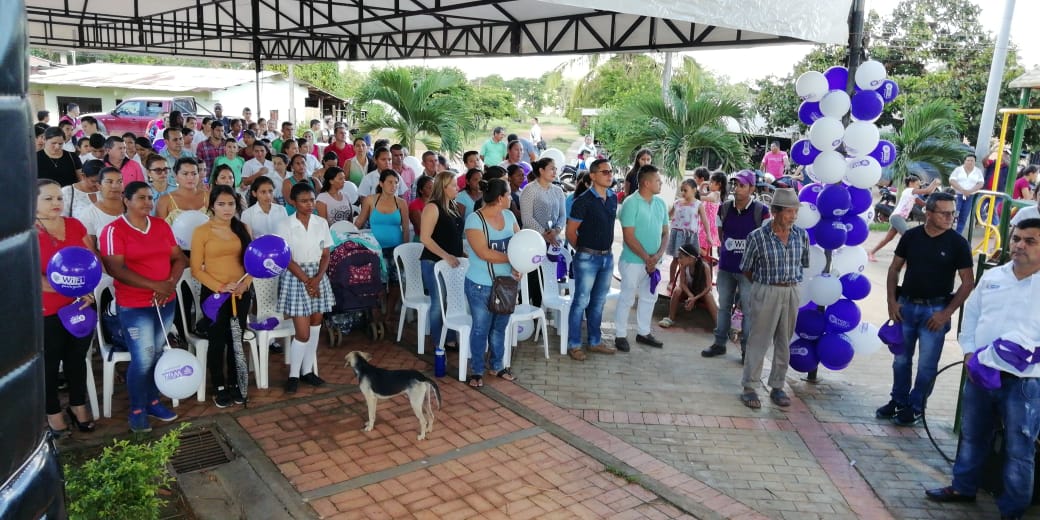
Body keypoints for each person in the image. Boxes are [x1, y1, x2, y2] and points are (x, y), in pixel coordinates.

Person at [924, 219, 1040, 519]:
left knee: (1019, 448)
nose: (1020, 245)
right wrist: (969, 352)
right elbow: (972, 316)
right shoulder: (993, 277)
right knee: (973, 436)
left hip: (1024, 381)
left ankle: (1012, 510)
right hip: (981, 372)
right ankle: (963, 487)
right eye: (1016, 239)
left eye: (1030, 241)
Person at [877, 192, 974, 425]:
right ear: (928, 214)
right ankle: (898, 400)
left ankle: (917, 406)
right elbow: (894, 269)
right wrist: (892, 301)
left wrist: (946, 313)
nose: (950, 217)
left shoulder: (958, 243)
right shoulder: (911, 236)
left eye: (953, 213)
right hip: (906, 306)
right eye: (945, 213)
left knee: (927, 364)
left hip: (936, 310)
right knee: (900, 359)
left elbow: (968, 282)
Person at [99, 180, 188, 432]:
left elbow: (178, 258)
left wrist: (169, 284)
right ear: (126, 200)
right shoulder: (114, 230)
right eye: (141, 198)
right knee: (143, 359)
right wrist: (155, 285)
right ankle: (137, 410)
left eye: (150, 198)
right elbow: (115, 268)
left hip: (165, 301)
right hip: (135, 306)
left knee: (157, 354)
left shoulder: (160, 226)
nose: (147, 203)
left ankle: (153, 401)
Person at [37, 179, 97, 436]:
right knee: (49, 365)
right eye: (48, 199)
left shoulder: (75, 225)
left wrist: (88, 292)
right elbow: (28, 276)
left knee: (76, 360)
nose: (56, 203)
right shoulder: (29, 234)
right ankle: (52, 410)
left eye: (59, 198)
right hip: (46, 311)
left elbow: (91, 264)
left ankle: (77, 404)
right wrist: (70, 286)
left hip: (78, 308)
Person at [737, 188, 807, 410]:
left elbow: (802, 264)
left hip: (791, 290)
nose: (793, 216)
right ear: (775, 212)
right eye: (789, 212)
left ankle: (777, 385)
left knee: (784, 341)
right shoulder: (757, 237)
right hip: (766, 289)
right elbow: (746, 268)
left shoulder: (801, 235)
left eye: (795, 212)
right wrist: (763, 283)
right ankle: (749, 387)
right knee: (759, 340)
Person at [190, 185, 254, 407]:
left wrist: (244, 284)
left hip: (240, 294)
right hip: (215, 295)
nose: (227, 209)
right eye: (221, 204)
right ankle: (218, 385)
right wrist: (220, 287)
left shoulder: (243, 228)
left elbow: (252, 264)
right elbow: (197, 269)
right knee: (217, 340)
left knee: (235, 338)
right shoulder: (201, 232)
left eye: (231, 204)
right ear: (212, 206)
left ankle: (236, 383)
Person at [703, 170, 769, 360]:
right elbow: (721, 234)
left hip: (749, 271)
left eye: (742, 185)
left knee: (749, 310)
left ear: (752, 188)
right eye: (735, 185)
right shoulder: (724, 208)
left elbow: (764, 240)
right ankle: (719, 343)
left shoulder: (761, 211)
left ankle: (746, 351)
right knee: (724, 305)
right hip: (726, 266)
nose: (737, 189)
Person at [276, 182, 335, 394]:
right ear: (293, 202)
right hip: (296, 277)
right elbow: (287, 259)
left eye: (312, 200)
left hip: (317, 277)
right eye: (304, 201)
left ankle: (307, 371)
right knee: (302, 333)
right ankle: (293, 375)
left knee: (315, 325)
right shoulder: (285, 225)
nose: (310, 204)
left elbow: (326, 254)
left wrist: (317, 279)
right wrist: (307, 281)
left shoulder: (321, 223)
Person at [463, 178, 520, 387]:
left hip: (506, 284)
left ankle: (497, 365)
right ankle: (477, 370)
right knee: (481, 328)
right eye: (508, 194)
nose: (511, 197)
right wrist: (512, 258)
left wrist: (519, 266)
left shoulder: (509, 215)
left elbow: (520, 243)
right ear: (499, 198)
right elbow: (483, 253)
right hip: (480, 285)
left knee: (499, 328)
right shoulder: (474, 220)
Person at [565, 159, 618, 361]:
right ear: (593, 176)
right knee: (580, 301)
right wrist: (583, 250)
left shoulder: (613, 198)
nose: (609, 175)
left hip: (607, 257)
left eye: (610, 171)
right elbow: (570, 232)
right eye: (605, 172)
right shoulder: (583, 200)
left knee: (598, 302)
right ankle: (574, 344)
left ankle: (595, 341)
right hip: (587, 257)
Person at [613, 165, 669, 352]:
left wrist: (658, 256)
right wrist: (647, 258)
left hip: (653, 262)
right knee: (627, 297)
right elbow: (629, 236)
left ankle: (643, 332)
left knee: (649, 297)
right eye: (658, 180)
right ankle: (620, 334)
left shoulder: (661, 204)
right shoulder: (631, 202)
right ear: (646, 182)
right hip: (633, 261)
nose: (661, 183)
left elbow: (665, 233)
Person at [355, 170, 409, 332]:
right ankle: (377, 313)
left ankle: (389, 313)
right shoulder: (371, 200)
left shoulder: (401, 203)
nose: (393, 186)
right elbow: (360, 221)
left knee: (396, 282)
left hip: (396, 249)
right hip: (375, 249)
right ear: (381, 183)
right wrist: (345, 233)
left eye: (396, 182)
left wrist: (404, 252)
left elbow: (406, 228)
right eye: (390, 182)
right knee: (378, 283)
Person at [420, 171, 465, 351]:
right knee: (438, 302)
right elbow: (425, 238)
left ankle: (450, 336)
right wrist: (446, 255)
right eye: (454, 185)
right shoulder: (432, 207)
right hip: (433, 262)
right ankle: (439, 341)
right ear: (443, 187)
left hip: (452, 262)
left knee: (452, 300)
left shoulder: (452, 205)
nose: (458, 188)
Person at [520, 157, 567, 307]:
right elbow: (526, 218)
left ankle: (545, 311)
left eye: (555, 169)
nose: (555, 172)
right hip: (532, 243)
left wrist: (556, 230)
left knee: (549, 278)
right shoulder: (530, 190)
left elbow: (562, 215)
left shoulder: (558, 191)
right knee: (533, 279)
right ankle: (529, 313)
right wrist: (543, 233)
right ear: (541, 170)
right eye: (551, 168)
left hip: (552, 241)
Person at [868, 175, 941, 262]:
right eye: (917, 184)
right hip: (897, 217)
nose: (918, 186)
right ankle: (906, 260)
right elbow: (927, 190)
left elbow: (924, 203)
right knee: (909, 238)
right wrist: (935, 182)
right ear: (911, 183)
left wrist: (935, 204)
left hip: (897, 218)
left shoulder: (913, 194)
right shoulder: (909, 190)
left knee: (888, 239)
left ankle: (871, 253)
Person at [666, 178, 713, 293]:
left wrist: (708, 235)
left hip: (690, 236)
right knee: (676, 259)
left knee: (691, 260)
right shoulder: (677, 203)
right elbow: (668, 216)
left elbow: (705, 220)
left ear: (694, 190)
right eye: (681, 190)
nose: (682, 193)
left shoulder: (698, 204)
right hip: (677, 234)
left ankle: (687, 282)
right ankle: (672, 280)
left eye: (685, 190)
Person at [659, 243, 715, 329]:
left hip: (701, 293)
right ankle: (671, 318)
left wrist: (694, 298)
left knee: (709, 295)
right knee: (677, 290)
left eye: (681, 257)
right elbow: (682, 283)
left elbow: (708, 287)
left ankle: (720, 325)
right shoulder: (683, 266)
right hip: (689, 292)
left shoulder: (705, 267)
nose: (678, 260)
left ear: (690, 258)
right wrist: (690, 295)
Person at [80, 167, 125, 250]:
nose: (115, 186)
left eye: (119, 181)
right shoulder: (89, 214)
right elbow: (90, 248)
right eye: (109, 182)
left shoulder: (133, 208)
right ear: (99, 186)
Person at [156, 158, 208, 229]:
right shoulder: (165, 201)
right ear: (175, 176)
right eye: (185, 174)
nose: (190, 177)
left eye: (194, 173)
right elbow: (160, 231)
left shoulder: (208, 196)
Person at [949, 154, 984, 235]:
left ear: (975, 162)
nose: (970, 162)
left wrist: (970, 191)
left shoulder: (977, 171)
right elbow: (952, 180)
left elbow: (981, 183)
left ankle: (958, 235)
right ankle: (948, 233)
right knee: (953, 214)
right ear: (964, 161)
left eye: (972, 160)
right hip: (957, 195)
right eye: (968, 160)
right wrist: (962, 190)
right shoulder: (958, 169)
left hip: (970, 196)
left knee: (963, 217)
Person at [699, 171, 727, 257]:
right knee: (701, 245)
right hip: (704, 223)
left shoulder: (716, 194)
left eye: (711, 182)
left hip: (708, 225)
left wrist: (693, 196)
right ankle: (704, 256)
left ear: (719, 184)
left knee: (702, 246)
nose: (709, 184)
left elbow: (702, 197)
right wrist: (702, 185)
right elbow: (701, 193)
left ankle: (704, 257)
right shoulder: (712, 192)